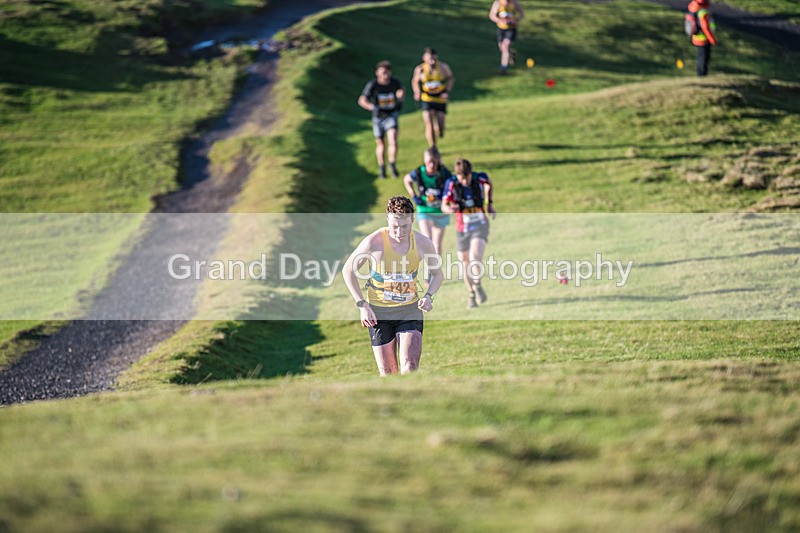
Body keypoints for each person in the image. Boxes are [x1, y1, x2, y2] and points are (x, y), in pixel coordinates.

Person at [342, 196, 444, 376]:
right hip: (379, 313)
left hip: (409, 310)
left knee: (410, 367)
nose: (399, 232)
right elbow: (347, 271)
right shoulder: (374, 242)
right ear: (387, 219)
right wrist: (362, 305)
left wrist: (429, 296)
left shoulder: (423, 243)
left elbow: (438, 274)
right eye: (394, 226)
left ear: (413, 220)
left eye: (405, 226)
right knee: (388, 373)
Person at [441, 159, 496, 309]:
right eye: (461, 178)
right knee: (464, 263)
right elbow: (443, 205)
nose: (464, 181)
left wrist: (490, 203)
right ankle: (472, 293)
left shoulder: (480, 178)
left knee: (474, 257)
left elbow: (489, 182)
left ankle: (477, 284)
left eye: (467, 177)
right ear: (457, 175)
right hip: (462, 228)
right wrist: (449, 209)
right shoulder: (451, 183)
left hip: (480, 225)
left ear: (471, 173)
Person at [359, 60, 405, 178]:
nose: (385, 75)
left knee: (393, 140)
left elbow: (401, 90)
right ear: (377, 73)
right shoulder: (373, 85)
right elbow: (362, 100)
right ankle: (382, 168)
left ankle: (392, 164)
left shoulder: (394, 82)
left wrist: (400, 97)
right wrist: (372, 107)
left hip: (391, 115)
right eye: (382, 73)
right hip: (378, 118)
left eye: (387, 73)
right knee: (381, 144)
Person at [402, 146, 451, 255]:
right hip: (424, 210)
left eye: (434, 162)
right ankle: (430, 269)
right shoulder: (419, 172)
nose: (432, 165)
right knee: (427, 239)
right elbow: (407, 180)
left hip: (440, 211)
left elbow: (452, 187)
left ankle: (435, 270)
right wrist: (414, 195)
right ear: (425, 161)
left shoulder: (444, 173)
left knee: (437, 244)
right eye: (429, 162)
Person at [411, 48, 455, 147]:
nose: (432, 61)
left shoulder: (443, 67)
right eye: (430, 58)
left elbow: (450, 78)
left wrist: (447, 91)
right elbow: (415, 81)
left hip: (440, 98)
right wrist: (417, 92)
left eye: (434, 58)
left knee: (440, 129)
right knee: (428, 123)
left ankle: (439, 130)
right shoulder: (420, 69)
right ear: (424, 58)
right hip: (427, 98)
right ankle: (433, 146)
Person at [489, 0, 524, 74]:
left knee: (506, 45)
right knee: (502, 47)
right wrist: (500, 20)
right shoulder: (498, 3)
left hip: (511, 29)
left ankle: (503, 67)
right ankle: (511, 54)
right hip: (501, 29)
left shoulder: (514, 2)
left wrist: (516, 20)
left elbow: (521, 13)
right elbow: (491, 15)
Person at [687, 0, 718, 77]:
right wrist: (713, 40)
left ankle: (700, 74)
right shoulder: (703, 13)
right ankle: (702, 76)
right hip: (704, 40)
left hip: (696, 39)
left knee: (700, 58)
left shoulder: (693, 7)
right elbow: (705, 28)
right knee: (704, 59)